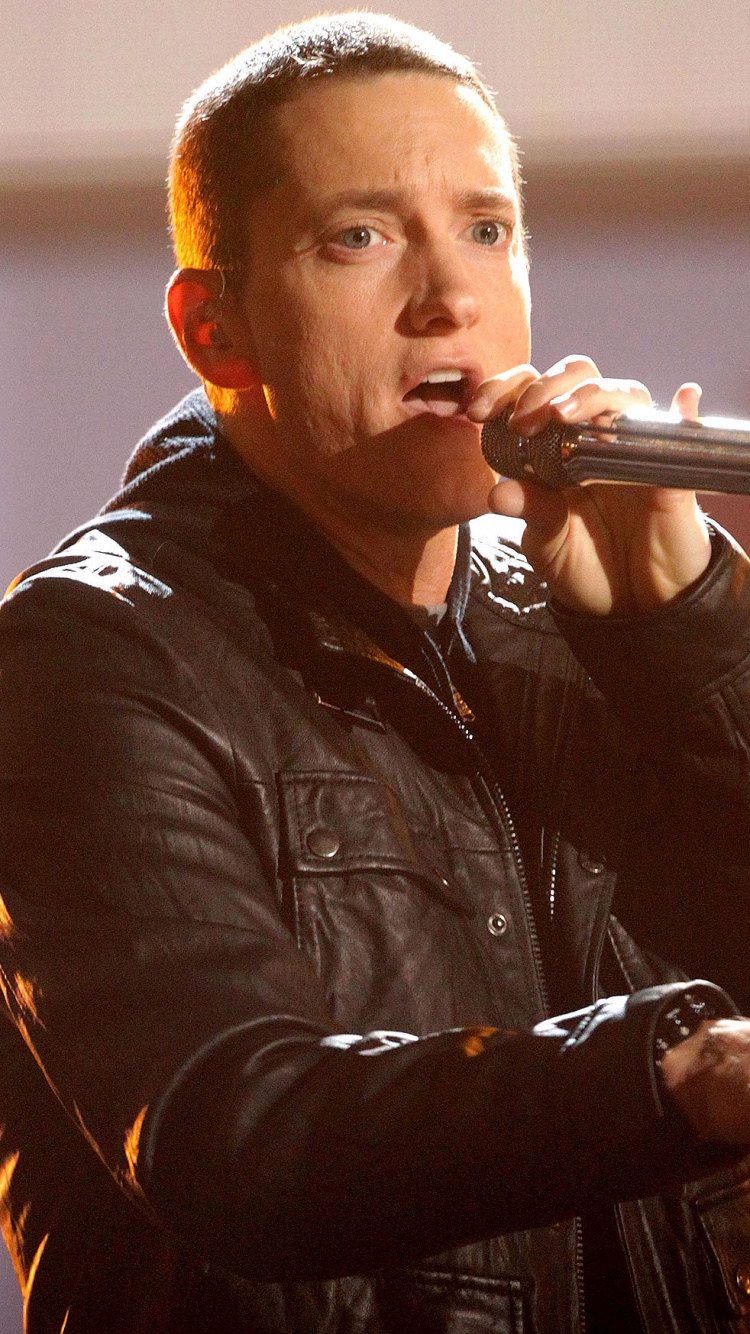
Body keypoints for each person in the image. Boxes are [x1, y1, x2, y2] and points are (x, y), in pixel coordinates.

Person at [1, 13, 750, 1333]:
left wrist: (687, 642)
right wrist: (668, 1076)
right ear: (214, 329)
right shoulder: (85, 652)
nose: (450, 297)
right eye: (359, 237)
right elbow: (237, 1133)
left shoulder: (587, 612)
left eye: (487, 228)